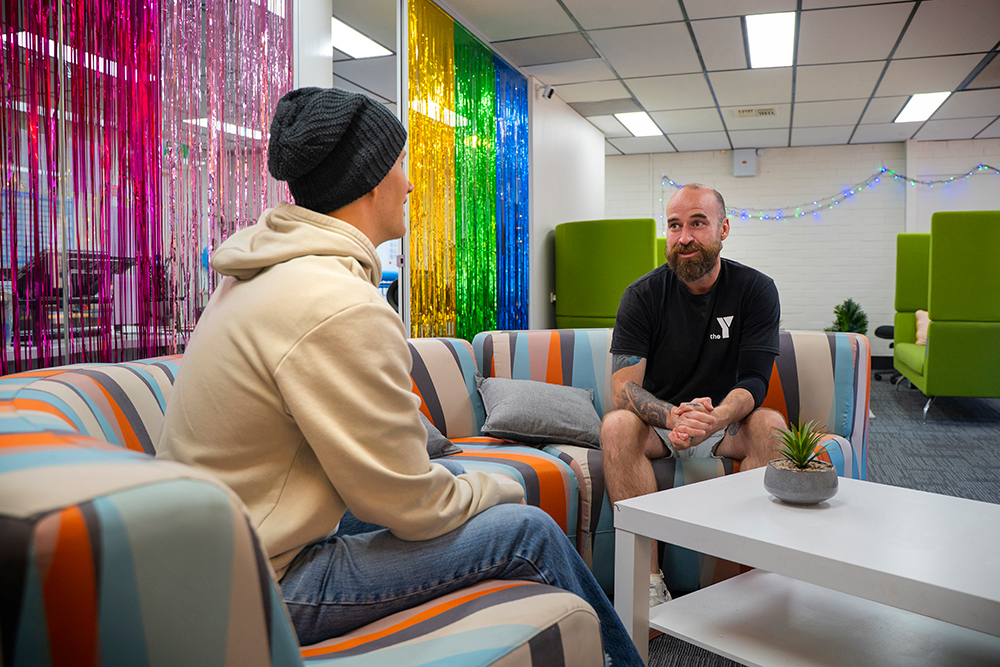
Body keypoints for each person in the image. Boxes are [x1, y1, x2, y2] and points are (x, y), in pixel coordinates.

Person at [157, 87, 642, 665]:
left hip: (214, 556)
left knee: (458, 477)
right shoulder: (336, 302)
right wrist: (505, 486)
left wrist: (461, 480)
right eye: (400, 165)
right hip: (265, 584)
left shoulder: (257, 277)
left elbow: (381, 475)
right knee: (527, 528)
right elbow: (415, 507)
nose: (410, 183)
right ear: (369, 181)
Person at [601, 183, 785, 606]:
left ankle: (758, 576)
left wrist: (714, 418)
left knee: (771, 424)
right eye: (674, 225)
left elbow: (756, 381)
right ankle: (647, 586)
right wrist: (674, 418)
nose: (684, 237)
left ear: (723, 228)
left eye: (697, 224)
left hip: (726, 424)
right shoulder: (642, 296)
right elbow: (622, 387)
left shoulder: (756, 290)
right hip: (662, 426)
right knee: (615, 425)